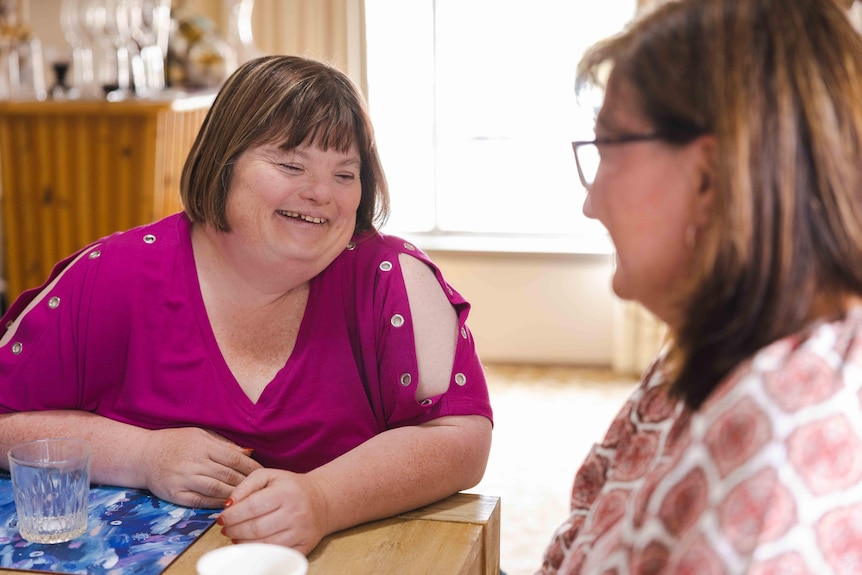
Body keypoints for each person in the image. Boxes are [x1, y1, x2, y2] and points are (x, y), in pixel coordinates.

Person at [0, 55, 493, 554]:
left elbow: (461, 438)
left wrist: (324, 498)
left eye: (346, 174)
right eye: (290, 164)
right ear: (223, 162)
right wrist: (143, 454)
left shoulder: (393, 279)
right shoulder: (108, 275)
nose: (322, 193)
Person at [541, 0, 862, 572]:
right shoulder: (711, 347)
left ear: (711, 179)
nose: (591, 203)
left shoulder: (781, 454)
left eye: (608, 147)